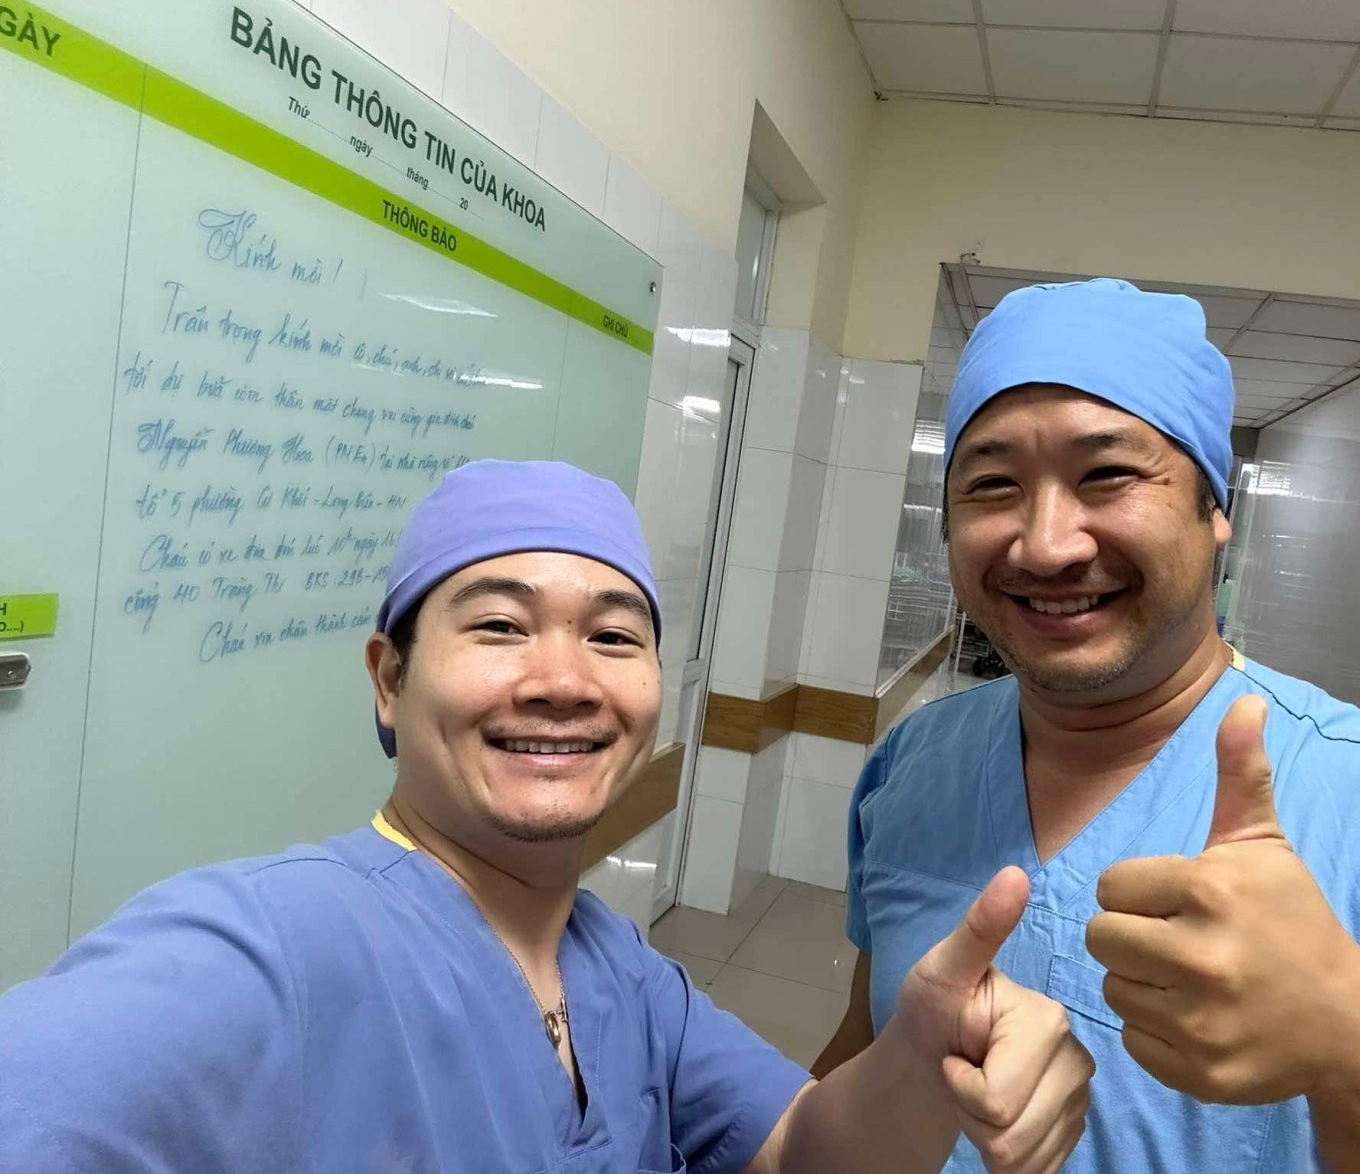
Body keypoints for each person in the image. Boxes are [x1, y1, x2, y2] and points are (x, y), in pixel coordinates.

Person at [0, 459, 1093, 1174]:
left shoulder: (627, 980)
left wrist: (916, 1063)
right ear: (389, 679)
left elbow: (804, 1149)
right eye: (498, 627)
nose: (564, 682)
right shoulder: (261, 952)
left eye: (614, 637)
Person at [813, 279, 1360, 1173]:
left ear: (1216, 510)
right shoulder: (913, 760)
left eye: (1108, 475)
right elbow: (864, 1042)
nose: (1046, 544)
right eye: (992, 484)